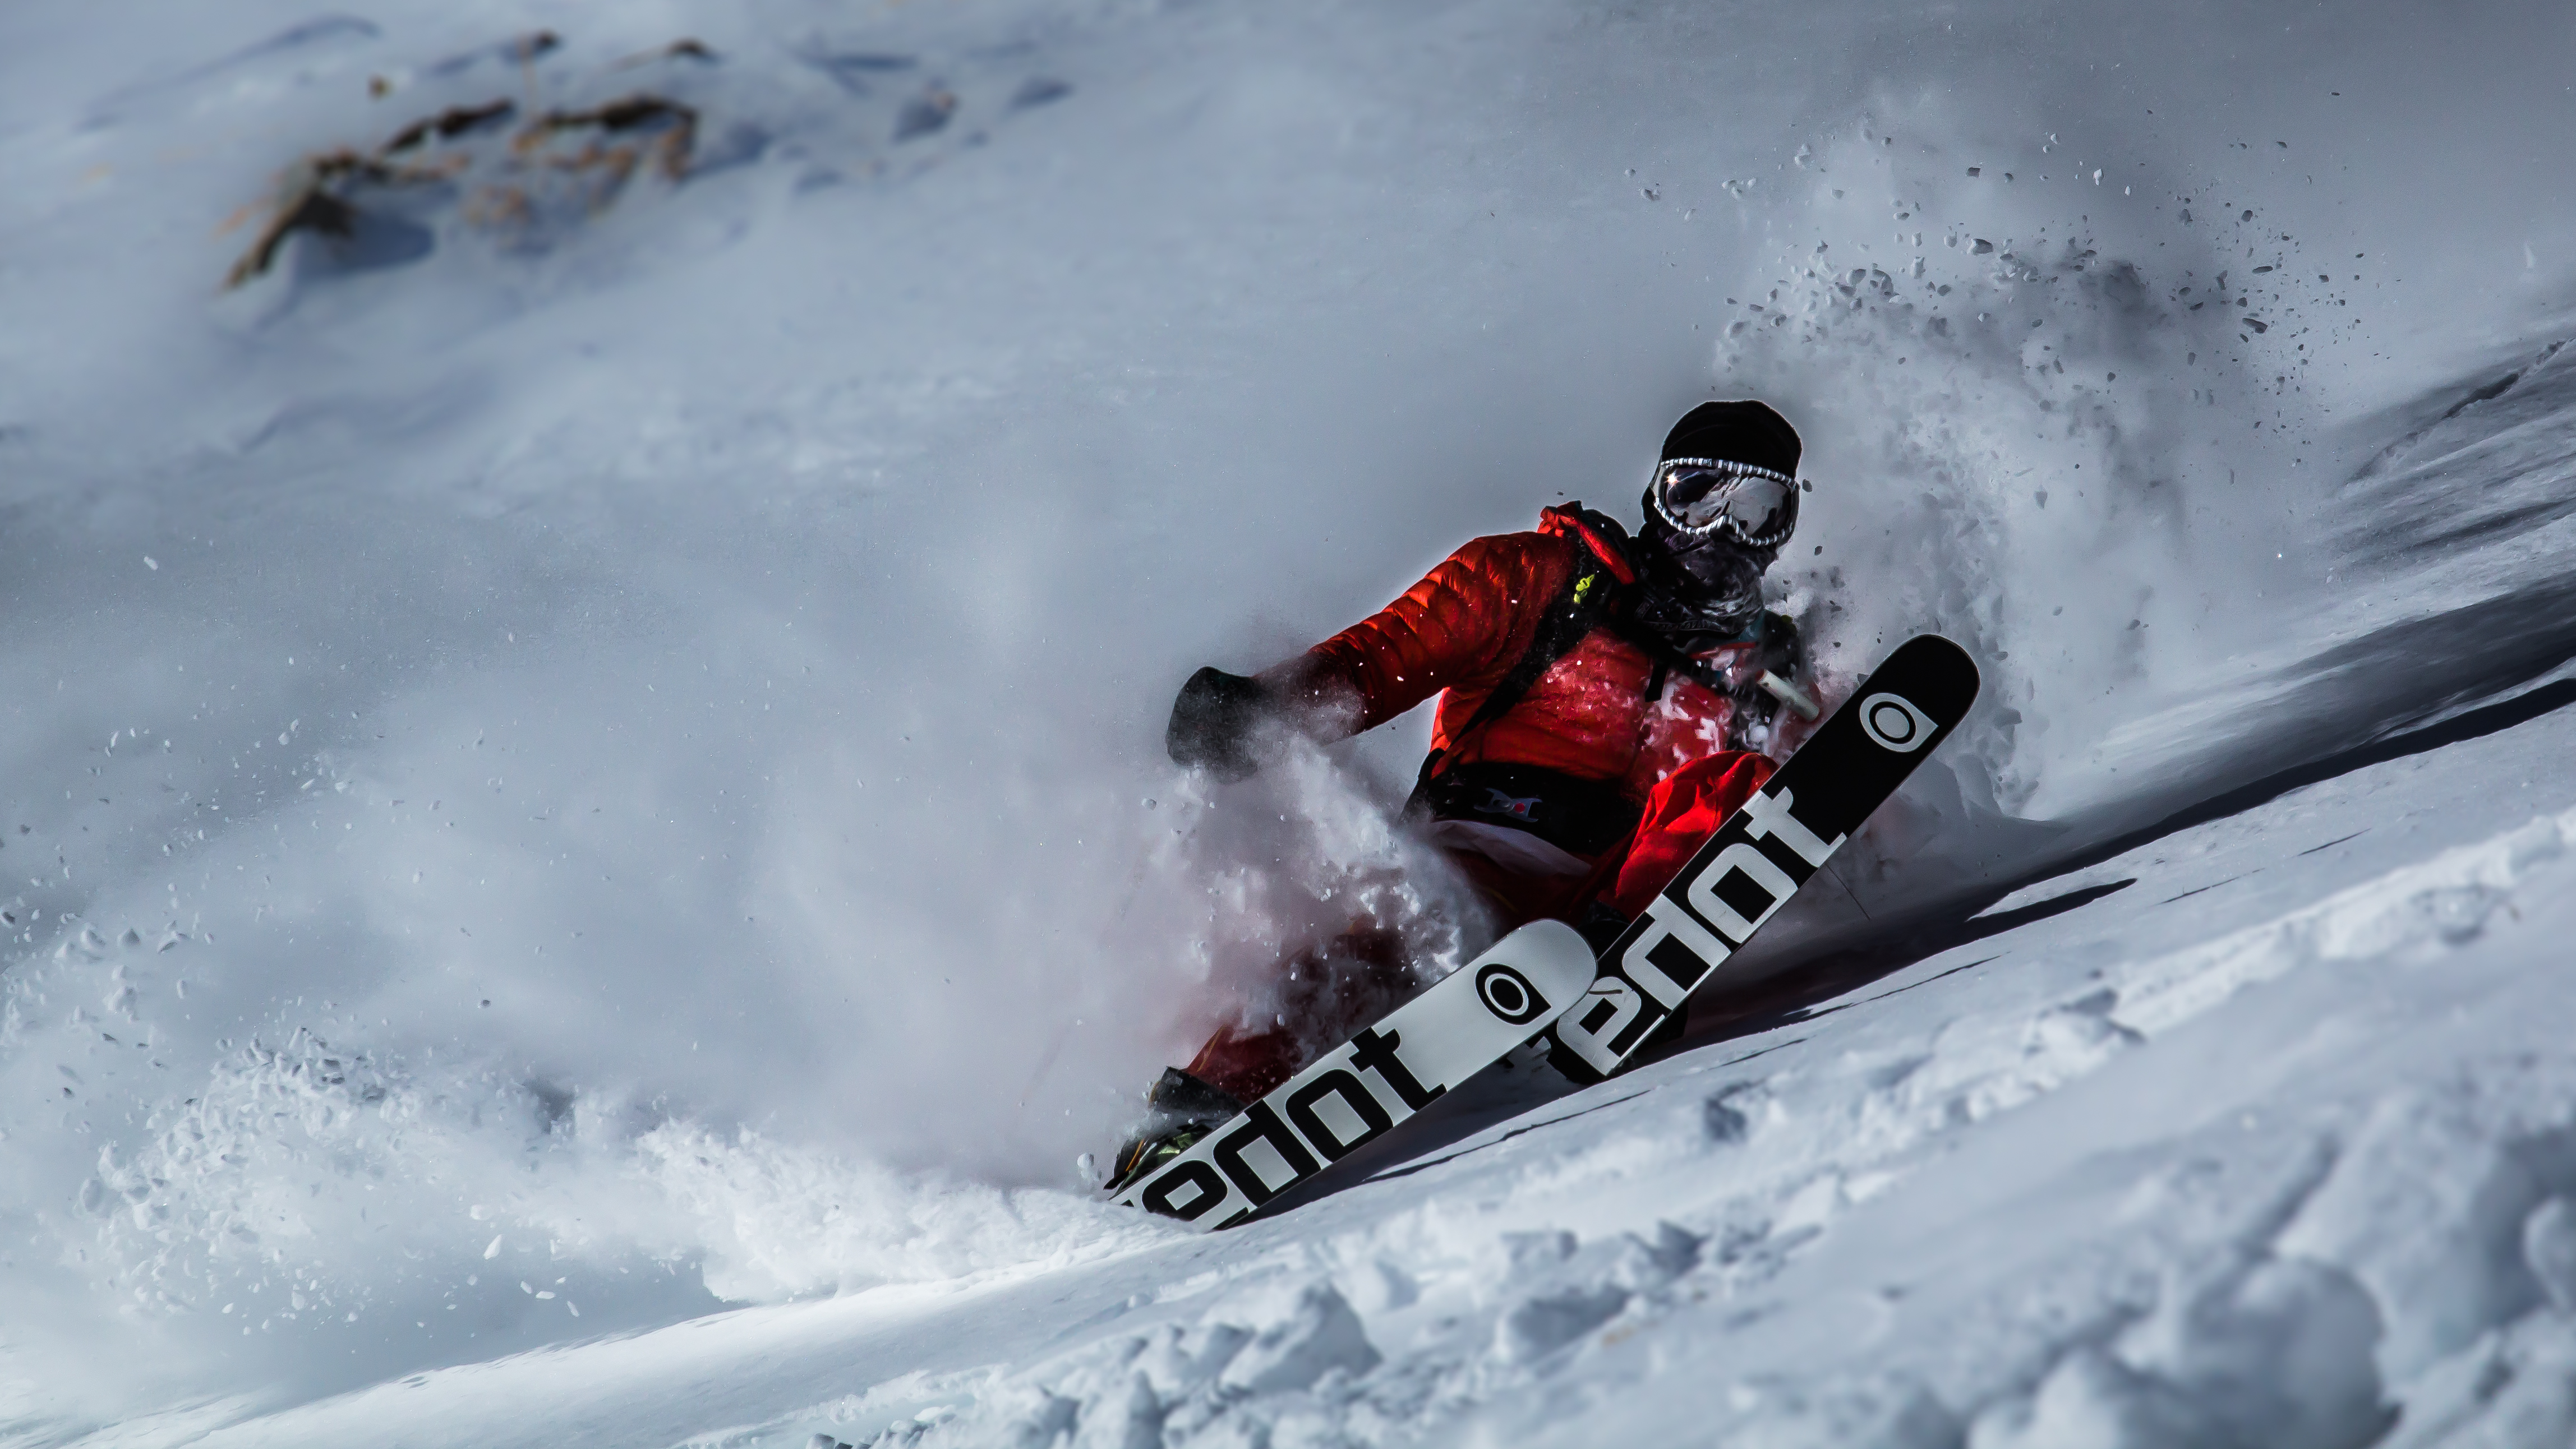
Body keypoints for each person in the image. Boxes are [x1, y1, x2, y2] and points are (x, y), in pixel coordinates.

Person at [1107, 400, 1822, 1190]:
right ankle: (1196, 1120)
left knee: (1746, 781)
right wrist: (1262, 708)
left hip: (1616, 902)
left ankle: (1628, 968)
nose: (1717, 532)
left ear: (1782, 531)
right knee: (1350, 967)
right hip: (1469, 869)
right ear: (1655, 498)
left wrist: (1804, 714)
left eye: (1755, 511)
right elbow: (1380, 660)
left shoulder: (1761, 672)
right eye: (1694, 494)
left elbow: (1808, 820)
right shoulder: (1541, 581)